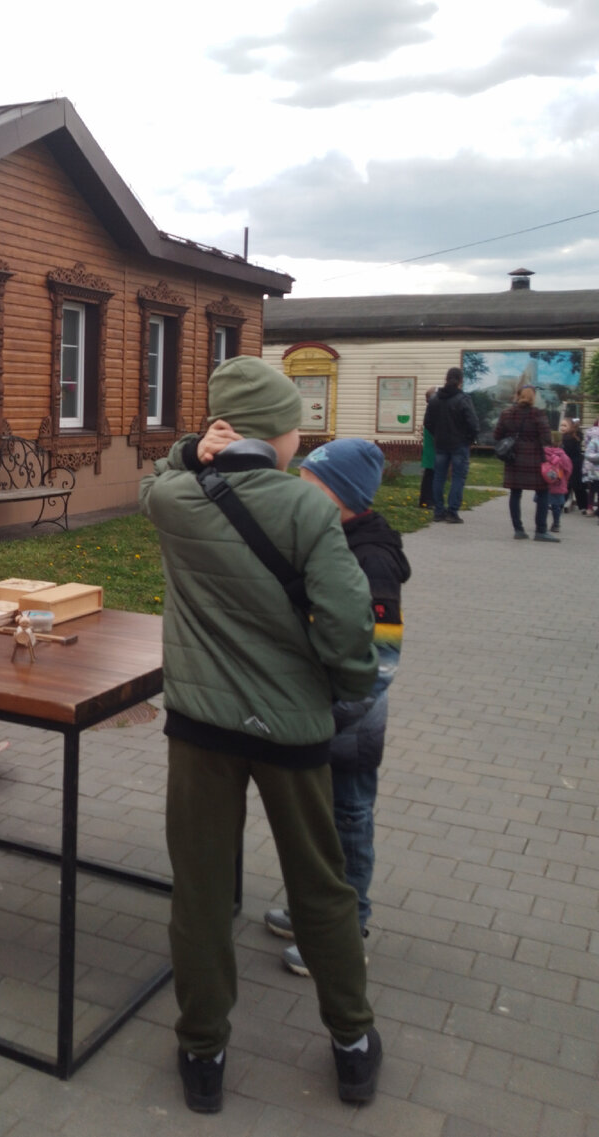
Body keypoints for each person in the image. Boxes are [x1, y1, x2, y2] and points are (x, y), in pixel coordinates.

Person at [140, 356, 382, 1114]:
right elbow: (347, 627)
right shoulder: (308, 510)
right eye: (293, 430)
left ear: (220, 430)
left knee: (202, 892)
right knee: (321, 887)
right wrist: (345, 690)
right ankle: (351, 1043)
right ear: (276, 435)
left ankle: (202, 1051)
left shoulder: (175, 498)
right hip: (293, 731)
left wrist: (191, 449)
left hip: (200, 729)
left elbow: (158, 478)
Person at [261, 439, 410, 976]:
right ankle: (313, 913)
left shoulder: (370, 560)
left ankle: (345, 929)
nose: (299, 495)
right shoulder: (329, 538)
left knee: (348, 820)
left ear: (340, 497)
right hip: (319, 713)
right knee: (316, 822)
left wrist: (333, 715)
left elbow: (382, 659)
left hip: (349, 721)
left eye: (310, 487)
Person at [493, 384, 554, 541]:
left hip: (514, 458)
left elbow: (497, 434)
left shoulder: (507, 413)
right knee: (542, 492)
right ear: (533, 397)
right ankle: (541, 531)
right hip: (534, 458)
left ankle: (518, 530)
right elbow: (547, 438)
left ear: (517, 395)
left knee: (515, 493)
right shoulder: (538, 414)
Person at [422, 366, 479, 524]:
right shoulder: (463, 399)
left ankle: (438, 511)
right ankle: (452, 512)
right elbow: (473, 423)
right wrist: (469, 439)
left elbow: (428, 423)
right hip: (459, 443)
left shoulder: (434, 399)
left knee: (438, 477)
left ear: (446, 379)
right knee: (458, 478)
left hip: (440, 443)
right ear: (460, 381)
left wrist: (437, 434)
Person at [540, 443, 572, 533]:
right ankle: (556, 524)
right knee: (556, 506)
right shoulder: (563, 456)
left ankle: (542, 523)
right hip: (558, 483)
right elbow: (568, 469)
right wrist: (565, 479)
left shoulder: (543, 453)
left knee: (543, 504)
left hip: (543, 483)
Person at [560, 418, 585, 514]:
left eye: (565, 425)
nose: (562, 427)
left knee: (573, 485)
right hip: (572, 463)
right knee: (572, 485)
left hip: (573, 464)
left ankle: (562, 503)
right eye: (561, 425)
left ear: (571, 427)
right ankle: (583, 505)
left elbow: (567, 452)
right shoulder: (571, 437)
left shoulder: (568, 438)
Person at [418, 386, 437, 509]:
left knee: (430, 472)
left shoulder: (431, 408)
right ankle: (426, 500)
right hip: (432, 444)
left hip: (430, 444)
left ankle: (427, 500)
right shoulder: (432, 408)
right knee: (430, 473)